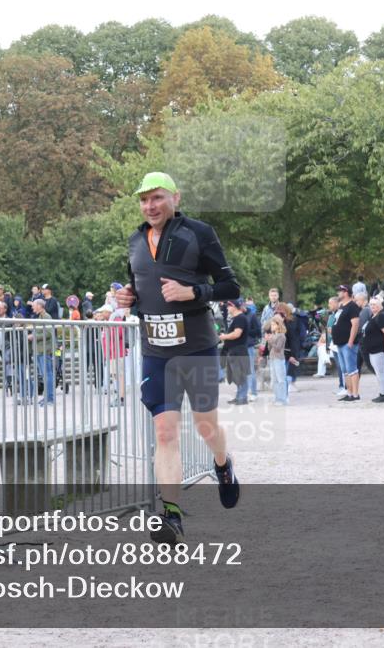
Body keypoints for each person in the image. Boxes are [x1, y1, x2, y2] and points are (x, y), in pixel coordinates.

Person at [114, 171, 240, 545]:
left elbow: (230, 286)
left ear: (175, 198)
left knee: (205, 426)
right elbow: (139, 288)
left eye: (157, 198)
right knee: (164, 431)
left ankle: (223, 464)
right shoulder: (135, 240)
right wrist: (128, 298)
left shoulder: (199, 233)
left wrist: (194, 292)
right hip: (156, 351)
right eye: (143, 200)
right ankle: (170, 514)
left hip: (196, 347)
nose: (149, 206)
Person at [331, 286, 361, 402]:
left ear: (346, 292)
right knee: (345, 370)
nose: (338, 293)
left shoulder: (352, 306)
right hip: (340, 343)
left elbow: (355, 324)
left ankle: (355, 394)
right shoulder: (341, 306)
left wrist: (351, 340)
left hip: (348, 344)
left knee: (352, 368)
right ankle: (349, 392)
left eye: (340, 291)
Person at [219, 299, 250, 405]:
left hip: (239, 350)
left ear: (234, 307)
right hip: (234, 350)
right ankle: (239, 396)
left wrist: (224, 337)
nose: (227, 308)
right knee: (237, 375)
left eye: (228, 306)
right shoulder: (236, 318)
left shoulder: (240, 318)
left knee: (241, 375)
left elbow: (237, 334)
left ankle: (243, 397)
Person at [363, 297, 384, 403]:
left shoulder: (382, 316)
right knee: (379, 373)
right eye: (371, 304)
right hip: (373, 349)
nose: (372, 306)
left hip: (379, 349)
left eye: (375, 304)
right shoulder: (374, 316)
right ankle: (382, 392)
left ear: (380, 305)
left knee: (381, 373)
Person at [265, 317, 289, 405]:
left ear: (278, 325)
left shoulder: (281, 336)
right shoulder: (274, 335)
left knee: (281, 380)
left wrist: (270, 340)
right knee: (274, 379)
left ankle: (282, 399)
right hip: (272, 358)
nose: (272, 326)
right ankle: (277, 398)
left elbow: (278, 348)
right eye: (271, 324)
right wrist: (269, 341)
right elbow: (270, 348)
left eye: (273, 324)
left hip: (279, 359)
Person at [243, 298, 262, 400]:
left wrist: (246, 331)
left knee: (250, 370)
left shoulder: (252, 315)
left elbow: (258, 332)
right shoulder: (237, 316)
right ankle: (244, 392)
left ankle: (253, 392)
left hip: (249, 345)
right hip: (240, 346)